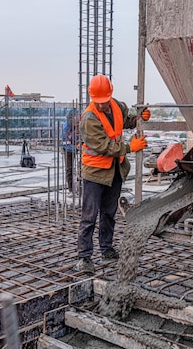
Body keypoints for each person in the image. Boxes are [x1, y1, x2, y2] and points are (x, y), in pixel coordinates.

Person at [75, 74, 150, 273]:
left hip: (114, 171)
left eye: (104, 101)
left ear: (110, 95)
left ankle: (106, 248)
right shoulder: (89, 119)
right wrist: (130, 147)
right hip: (95, 174)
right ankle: (84, 257)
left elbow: (126, 120)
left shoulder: (116, 106)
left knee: (108, 213)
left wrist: (138, 119)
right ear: (92, 98)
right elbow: (105, 146)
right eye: (97, 102)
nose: (101, 105)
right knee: (89, 216)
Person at [61, 109, 78, 194]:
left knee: (82, 167)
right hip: (68, 149)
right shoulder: (66, 128)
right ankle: (71, 189)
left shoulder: (78, 125)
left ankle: (80, 187)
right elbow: (66, 145)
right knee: (69, 169)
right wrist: (77, 147)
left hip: (77, 146)